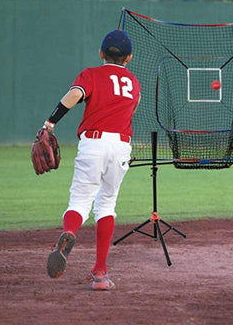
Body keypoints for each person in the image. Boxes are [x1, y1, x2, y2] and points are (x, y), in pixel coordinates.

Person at [43, 29, 141, 290]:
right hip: (121, 146)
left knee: (80, 201)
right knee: (106, 205)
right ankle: (100, 273)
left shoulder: (91, 74)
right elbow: (132, 109)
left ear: (101, 53)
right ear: (128, 58)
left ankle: (70, 233)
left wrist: (51, 122)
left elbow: (75, 95)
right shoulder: (133, 82)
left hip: (94, 143)